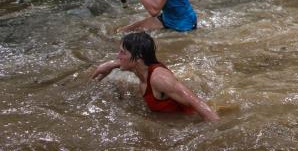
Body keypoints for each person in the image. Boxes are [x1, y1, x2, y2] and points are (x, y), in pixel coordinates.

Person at [91, 32, 219, 121]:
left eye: (122, 52)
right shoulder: (139, 67)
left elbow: (197, 103)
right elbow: (124, 63)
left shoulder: (159, 79)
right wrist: (110, 65)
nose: (117, 56)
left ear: (139, 56)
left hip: (185, 121)